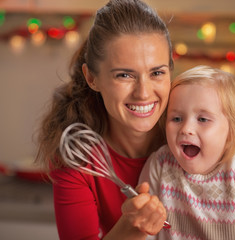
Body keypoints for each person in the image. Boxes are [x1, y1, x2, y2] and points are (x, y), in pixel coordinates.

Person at [35, 0, 174, 239]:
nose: (143, 92)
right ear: (92, 79)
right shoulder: (76, 158)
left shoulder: (191, 140)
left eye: (157, 73)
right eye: (124, 75)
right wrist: (130, 229)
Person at [139, 65, 235, 240]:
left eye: (203, 119)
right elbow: (146, 230)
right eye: (176, 118)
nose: (186, 128)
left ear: (232, 130)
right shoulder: (160, 163)